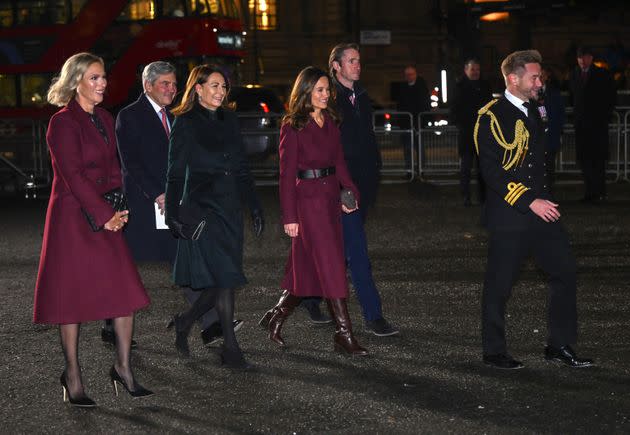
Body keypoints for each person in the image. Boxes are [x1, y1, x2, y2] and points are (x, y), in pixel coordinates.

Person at [33, 52, 153, 407]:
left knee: (124, 293)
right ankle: (72, 376)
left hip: (106, 214)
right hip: (72, 219)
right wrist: (105, 214)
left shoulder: (104, 116)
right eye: (96, 78)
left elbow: (115, 167)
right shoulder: (62, 123)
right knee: (70, 300)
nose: (103, 84)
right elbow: (73, 175)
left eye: (103, 77)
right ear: (77, 82)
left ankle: (123, 367)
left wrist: (119, 207)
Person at [474, 49, 593, 370]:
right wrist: (529, 200)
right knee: (500, 284)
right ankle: (494, 350)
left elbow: (539, 161)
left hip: (542, 209)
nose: (540, 81)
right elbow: (493, 172)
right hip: (512, 212)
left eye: (540, 76)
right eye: (534, 77)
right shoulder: (491, 115)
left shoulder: (536, 108)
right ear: (513, 79)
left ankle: (560, 344)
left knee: (565, 272)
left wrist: (542, 199)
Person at [114, 61, 241, 349]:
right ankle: (113, 324)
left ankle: (209, 324)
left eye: (174, 83)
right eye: (165, 84)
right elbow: (130, 164)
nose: (172, 89)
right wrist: (157, 194)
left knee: (186, 260)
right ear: (148, 85)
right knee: (125, 267)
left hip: (178, 203)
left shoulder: (177, 115)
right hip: (145, 206)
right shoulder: (128, 116)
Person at [259, 66, 367, 356]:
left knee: (307, 270)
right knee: (332, 266)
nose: (325, 95)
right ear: (305, 91)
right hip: (307, 204)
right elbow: (286, 175)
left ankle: (276, 316)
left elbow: (340, 161)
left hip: (330, 199)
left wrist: (350, 191)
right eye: (319, 90)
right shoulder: (291, 125)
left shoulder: (331, 121)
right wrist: (290, 217)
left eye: (327, 90)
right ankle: (343, 335)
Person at [164, 64, 264, 369]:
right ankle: (231, 350)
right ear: (198, 88)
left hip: (230, 208)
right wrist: (172, 214)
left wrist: (255, 206)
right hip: (204, 210)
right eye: (215, 86)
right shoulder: (186, 122)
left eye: (224, 87)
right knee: (225, 279)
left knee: (223, 279)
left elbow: (242, 168)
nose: (221, 92)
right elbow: (175, 173)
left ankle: (185, 321)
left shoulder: (229, 119)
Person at [328, 42, 399, 336]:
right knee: (357, 251)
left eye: (359, 61)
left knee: (339, 251)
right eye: (352, 61)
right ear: (337, 66)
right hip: (343, 186)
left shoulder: (362, 96)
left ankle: (302, 298)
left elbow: (367, 137)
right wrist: (342, 185)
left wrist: (375, 170)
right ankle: (374, 315)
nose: (358, 65)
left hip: (365, 183)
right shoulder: (330, 99)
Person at [569, 46, 616, 203]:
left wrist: (604, 117)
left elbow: (611, 97)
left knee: (597, 160)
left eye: (585, 57)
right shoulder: (575, 74)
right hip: (581, 125)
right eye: (580, 57)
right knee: (585, 160)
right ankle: (590, 192)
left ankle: (600, 192)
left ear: (591, 58)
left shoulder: (602, 74)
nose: (582, 60)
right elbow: (574, 98)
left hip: (597, 125)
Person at [451, 58, 493, 207]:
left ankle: (484, 197)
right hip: (467, 133)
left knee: (483, 168)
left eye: (477, 69)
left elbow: (490, 107)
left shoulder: (485, 86)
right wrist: (462, 124)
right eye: (472, 69)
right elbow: (454, 109)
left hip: (483, 133)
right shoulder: (459, 87)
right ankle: (466, 196)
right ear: (466, 70)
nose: (475, 72)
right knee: (466, 168)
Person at [396, 65, 430, 174]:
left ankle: (421, 170)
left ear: (415, 74)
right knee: (407, 149)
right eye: (407, 75)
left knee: (420, 148)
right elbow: (400, 106)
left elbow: (424, 105)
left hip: (418, 123)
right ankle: (409, 170)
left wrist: (421, 122)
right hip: (406, 124)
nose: (409, 77)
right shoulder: (403, 88)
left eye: (411, 74)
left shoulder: (421, 87)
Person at [537, 64, 565, 194]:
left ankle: (549, 194)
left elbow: (560, 115)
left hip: (550, 137)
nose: (540, 78)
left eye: (542, 75)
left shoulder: (554, 93)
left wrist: (558, 133)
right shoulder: (529, 93)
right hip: (536, 139)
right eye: (537, 76)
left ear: (547, 76)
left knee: (549, 167)